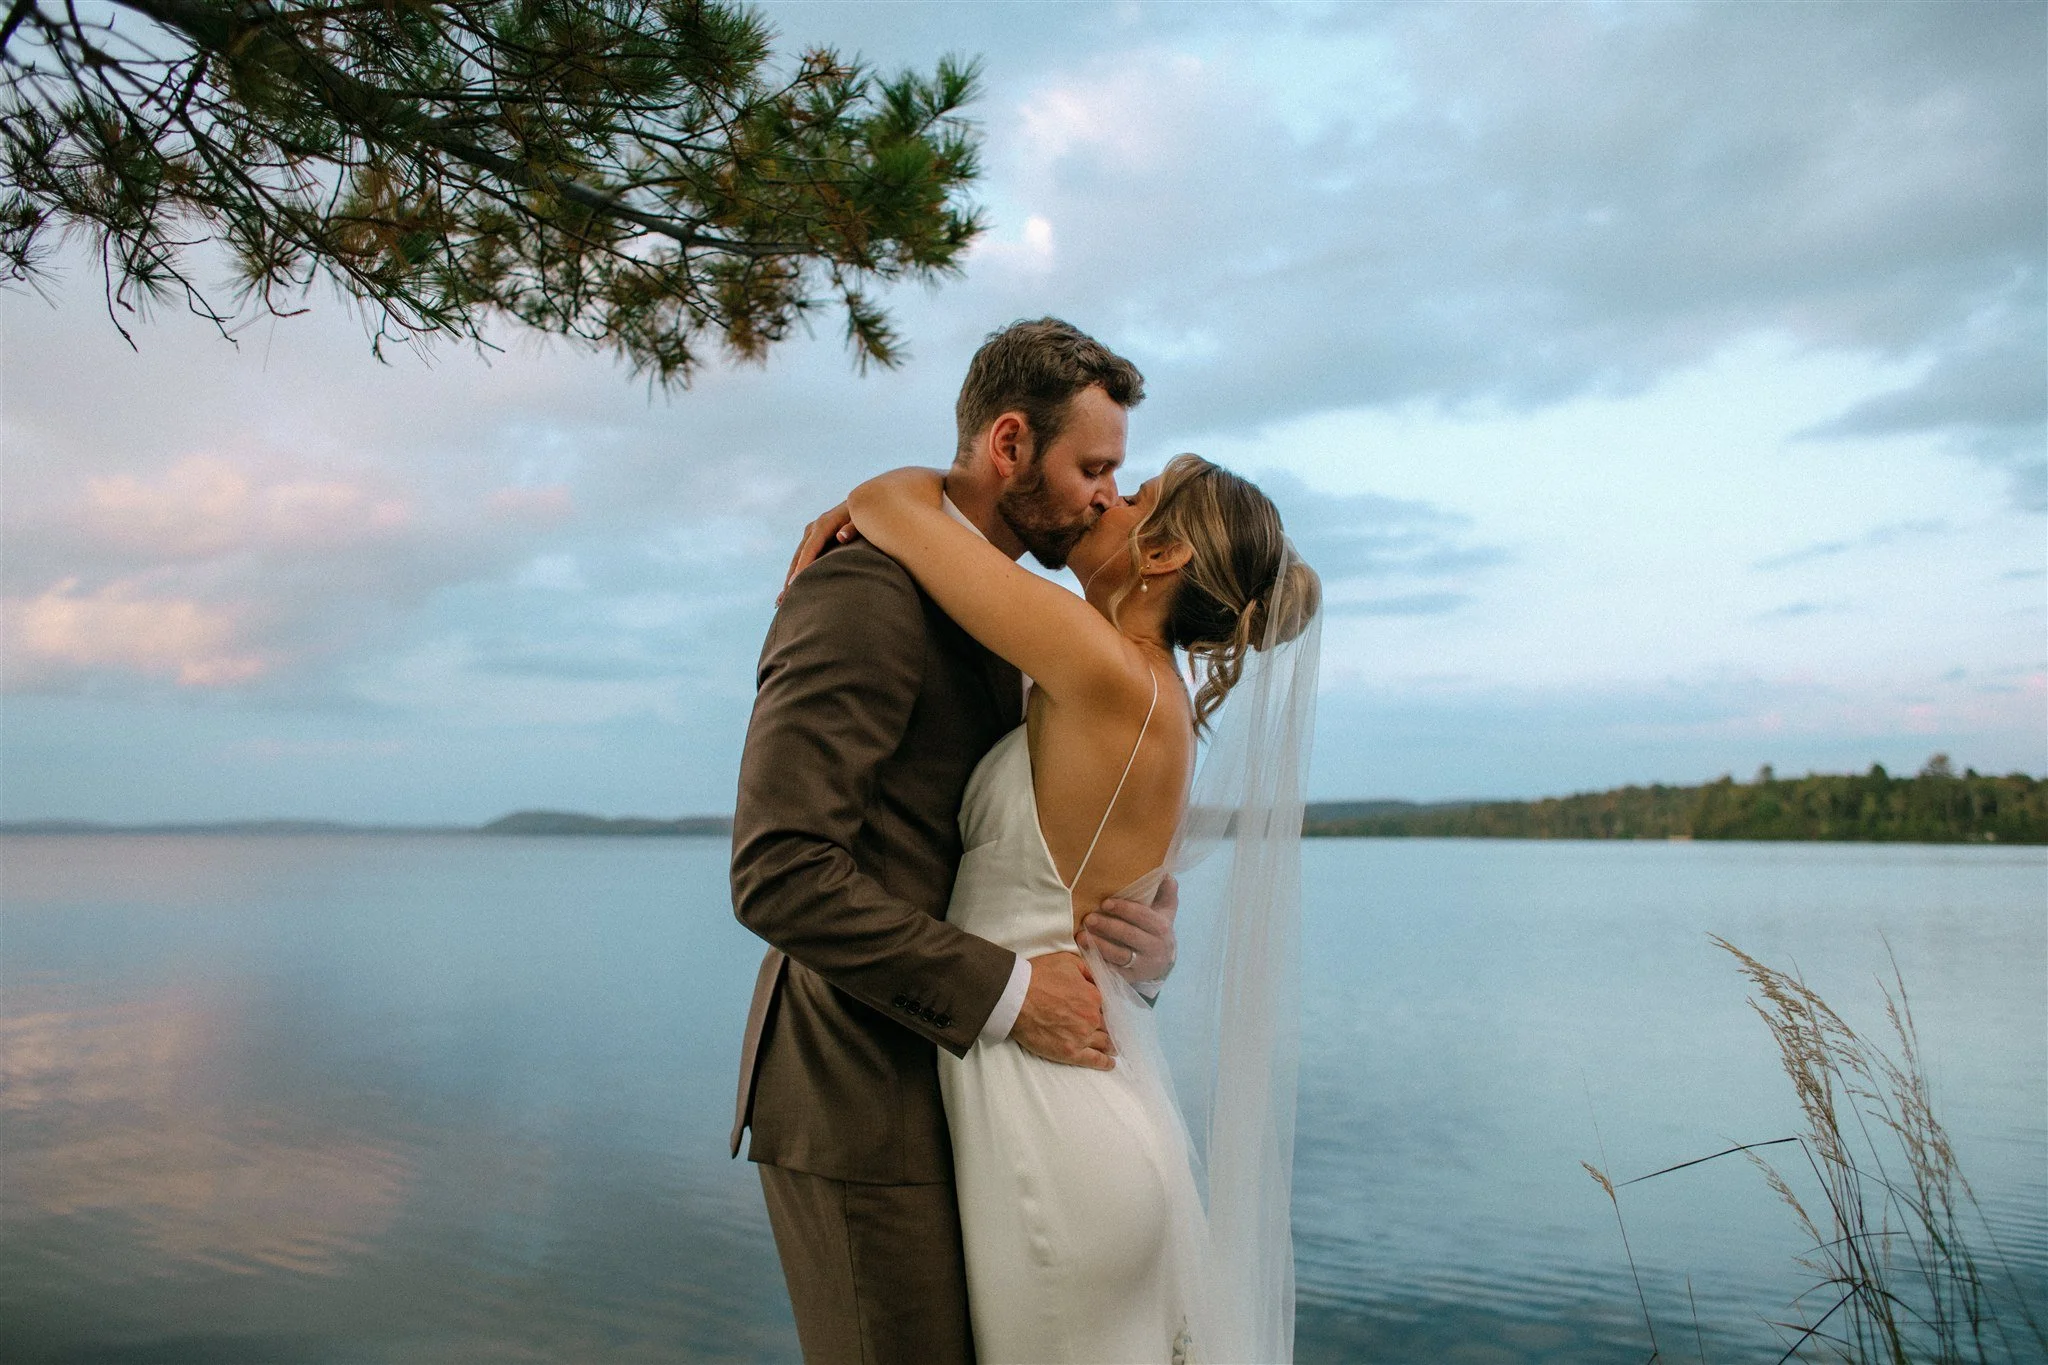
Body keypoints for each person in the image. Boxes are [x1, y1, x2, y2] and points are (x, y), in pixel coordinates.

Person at [729, 319, 1182, 1365]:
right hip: (863, 1096)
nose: (1106, 497)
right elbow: (778, 870)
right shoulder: (863, 590)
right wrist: (1017, 997)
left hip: (982, 1101)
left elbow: (1016, 858)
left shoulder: (1008, 617)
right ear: (1010, 445)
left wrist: (1132, 951)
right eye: (1092, 468)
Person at [833, 450, 1321, 1364]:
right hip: (1094, 1099)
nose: (1104, 497)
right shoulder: (1151, 696)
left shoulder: (1103, 664)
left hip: (1051, 1115)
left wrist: (868, 508)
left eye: (1132, 495)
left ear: (1164, 554)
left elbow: (885, 500)